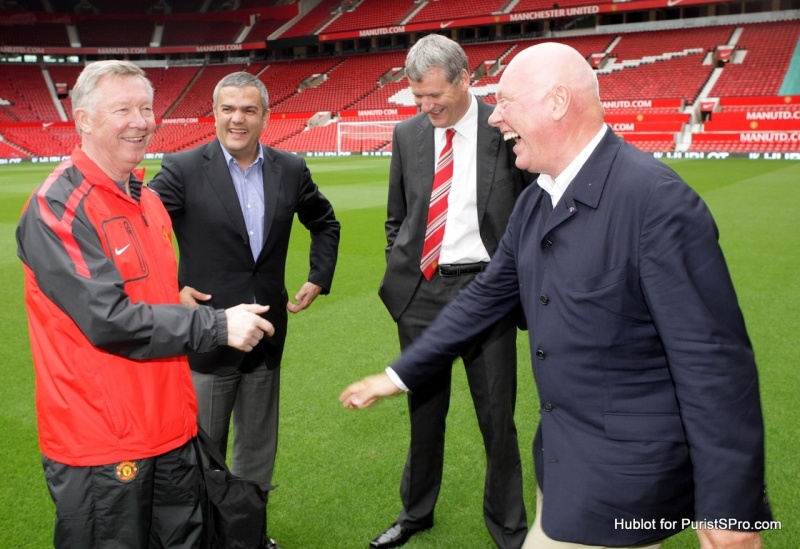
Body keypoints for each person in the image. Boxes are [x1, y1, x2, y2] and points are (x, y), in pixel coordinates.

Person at [341, 42, 773, 549]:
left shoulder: (656, 202)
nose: (495, 117)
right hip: (563, 470)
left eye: (506, 103)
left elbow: (713, 364)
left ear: (557, 102)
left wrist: (732, 510)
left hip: (622, 485)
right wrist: (397, 376)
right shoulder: (535, 204)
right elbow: (482, 300)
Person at [16, 60, 273, 548]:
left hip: (173, 428)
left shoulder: (147, 199)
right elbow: (106, 319)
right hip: (104, 441)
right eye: (122, 110)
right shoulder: (59, 207)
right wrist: (216, 326)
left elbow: (142, 295)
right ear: (83, 119)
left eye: (146, 108)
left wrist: (173, 299)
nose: (140, 121)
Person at [149, 71, 340, 549]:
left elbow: (325, 221)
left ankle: (248, 536)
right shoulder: (182, 168)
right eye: (229, 108)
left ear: (265, 117)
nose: (238, 118)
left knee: (257, 453)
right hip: (209, 336)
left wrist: (319, 275)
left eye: (249, 109)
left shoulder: (290, 168)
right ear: (214, 114)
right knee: (201, 453)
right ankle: (199, 539)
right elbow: (140, 229)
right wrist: (171, 289)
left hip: (266, 336)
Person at [368, 34, 529, 549]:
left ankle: (508, 529)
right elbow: (397, 217)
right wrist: (405, 268)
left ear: (464, 79)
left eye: (435, 95)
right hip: (422, 292)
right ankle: (416, 514)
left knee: (496, 420)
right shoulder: (407, 133)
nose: (426, 106)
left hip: (487, 291)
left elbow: (529, 211)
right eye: (418, 97)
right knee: (424, 413)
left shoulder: (503, 128)